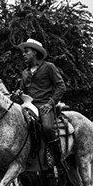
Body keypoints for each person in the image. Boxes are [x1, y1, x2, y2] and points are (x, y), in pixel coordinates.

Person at [18, 38, 66, 169]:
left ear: (34, 52)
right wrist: (17, 94)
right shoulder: (24, 73)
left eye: (26, 51)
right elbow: (22, 90)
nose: (23, 54)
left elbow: (61, 86)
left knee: (47, 128)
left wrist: (50, 104)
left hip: (44, 104)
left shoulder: (49, 67)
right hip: (28, 104)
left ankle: (59, 159)